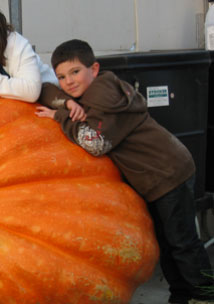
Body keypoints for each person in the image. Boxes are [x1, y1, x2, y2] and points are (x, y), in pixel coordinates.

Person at [35, 39, 213, 304]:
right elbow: (45, 90)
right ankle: (182, 295)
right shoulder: (90, 91)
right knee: (166, 242)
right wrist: (67, 103)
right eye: (62, 76)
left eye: (75, 72)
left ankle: (205, 294)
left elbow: (94, 144)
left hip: (168, 173)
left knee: (182, 242)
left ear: (94, 69)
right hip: (156, 177)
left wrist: (59, 116)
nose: (68, 82)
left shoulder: (104, 98)